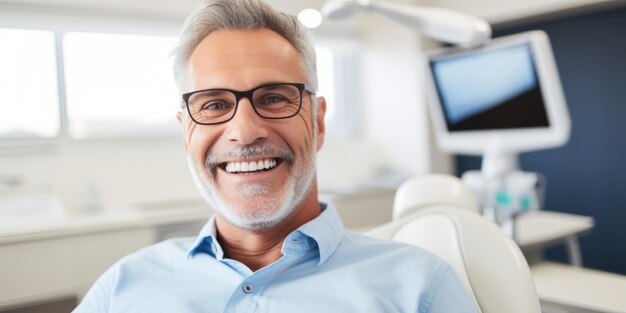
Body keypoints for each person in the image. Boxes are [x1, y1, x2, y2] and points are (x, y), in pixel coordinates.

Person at [73, 0, 478, 312]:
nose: (245, 131)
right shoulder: (121, 286)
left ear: (317, 122)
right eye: (213, 105)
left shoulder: (421, 287)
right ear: (186, 132)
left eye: (272, 98)